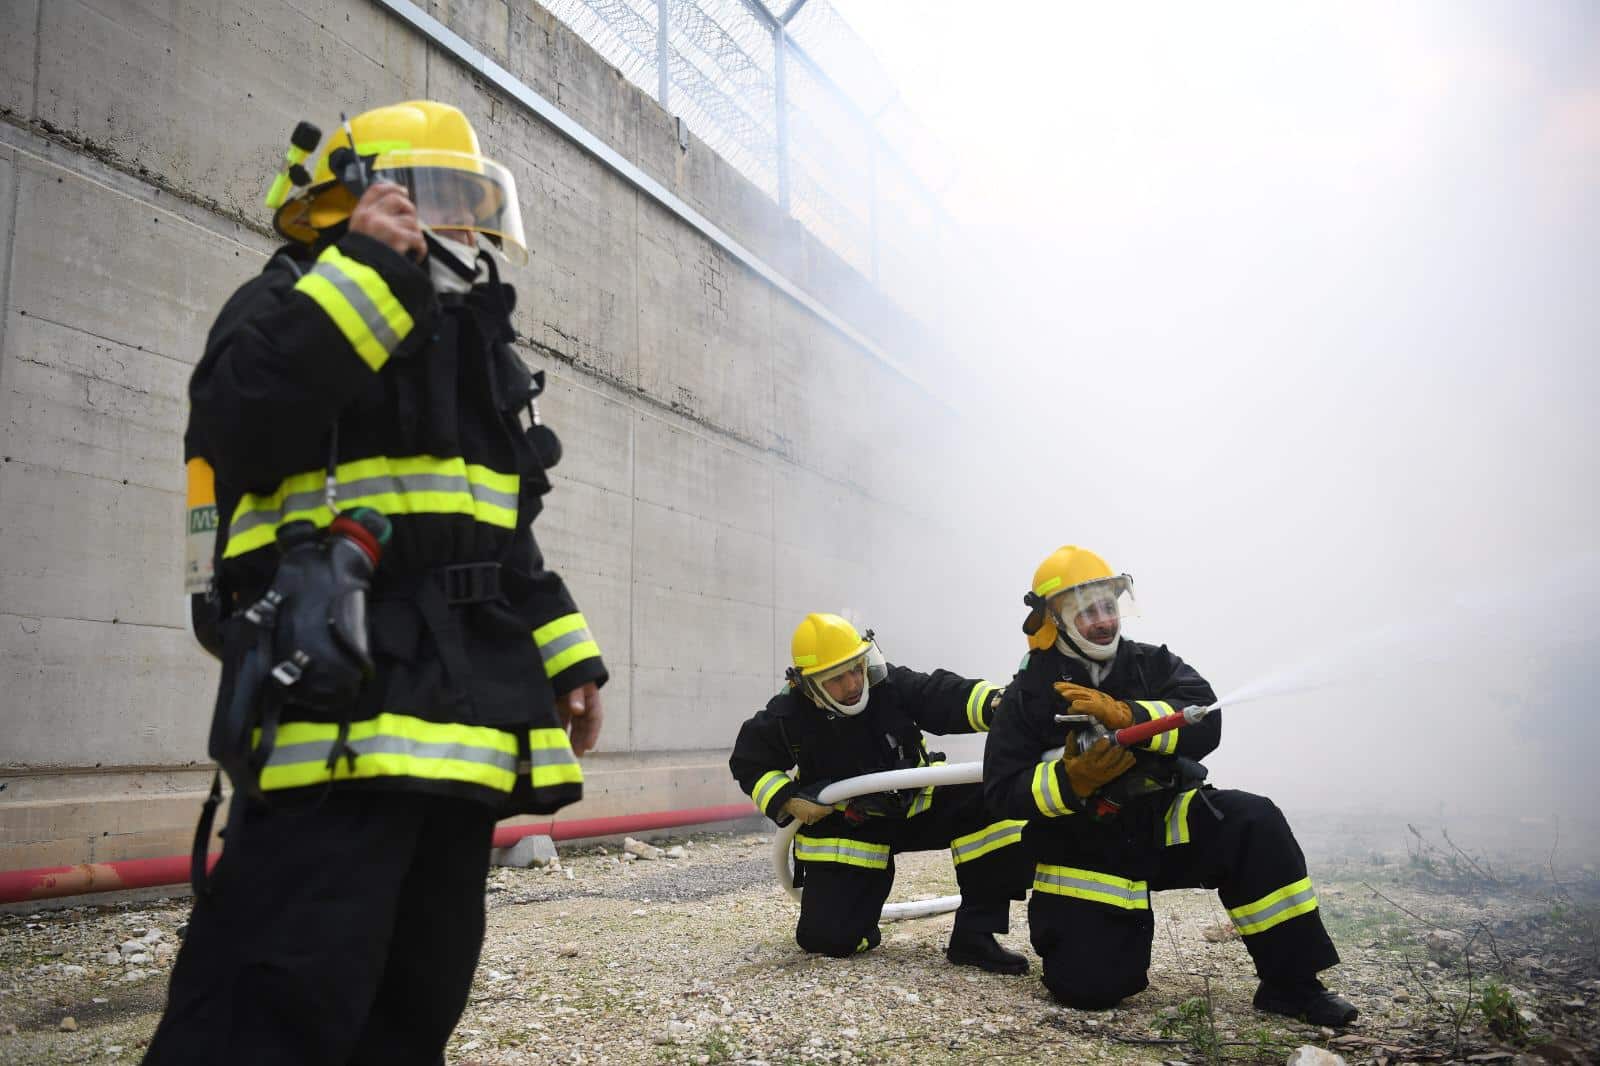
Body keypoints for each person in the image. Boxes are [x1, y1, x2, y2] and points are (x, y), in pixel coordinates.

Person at [146, 100, 607, 1064]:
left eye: (476, 208)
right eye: (439, 200)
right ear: (361, 196)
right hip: (335, 727)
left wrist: (565, 652)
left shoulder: (474, 348)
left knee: (413, 1003)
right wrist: (363, 273)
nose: (463, 232)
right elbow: (238, 423)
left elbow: (496, 531)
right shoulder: (296, 301)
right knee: (274, 1007)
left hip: (459, 737)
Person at [982, 546, 1357, 1025]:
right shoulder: (1028, 693)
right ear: (1055, 620)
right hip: (1084, 846)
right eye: (1088, 612)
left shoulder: (1150, 663)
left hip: (1160, 821)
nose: (1104, 622)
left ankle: (1292, 983)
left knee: (1251, 820)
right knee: (1090, 990)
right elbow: (1001, 791)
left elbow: (1207, 721)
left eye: (1109, 607)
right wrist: (1070, 780)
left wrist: (1130, 714)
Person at [730, 613, 1032, 973]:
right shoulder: (787, 715)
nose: (854, 682)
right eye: (837, 677)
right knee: (826, 940)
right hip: (850, 826)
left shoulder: (888, 685)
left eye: (856, 668)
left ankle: (976, 935)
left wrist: (999, 702)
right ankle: (858, 920)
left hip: (914, 803)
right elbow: (749, 761)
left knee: (991, 795)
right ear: (809, 685)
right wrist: (787, 799)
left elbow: (941, 695)